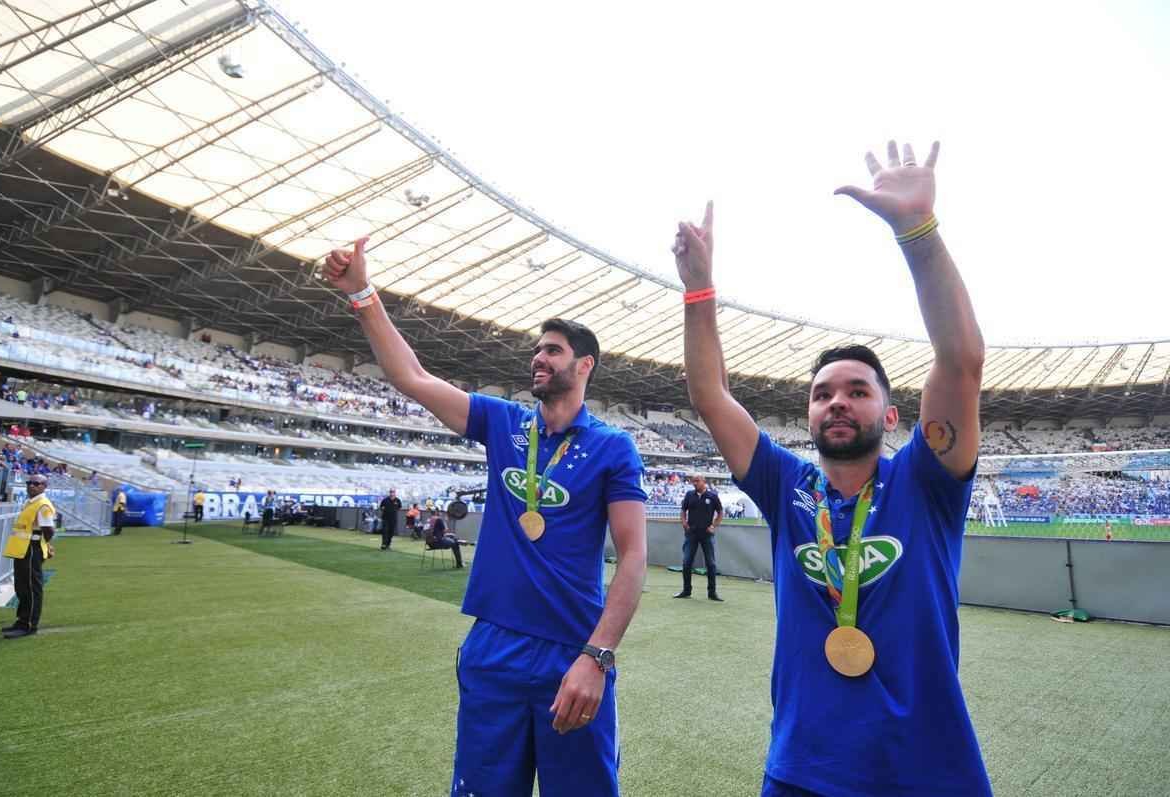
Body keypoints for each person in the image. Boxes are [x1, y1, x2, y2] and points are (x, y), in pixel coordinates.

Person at [675, 140, 992, 796]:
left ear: (892, 414)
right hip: (801, 771)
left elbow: (960, 361)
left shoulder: (926, 481)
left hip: (925, 774)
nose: (837, 401)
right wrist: (699, 290)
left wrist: (918, 232)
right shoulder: (785, 484)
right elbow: (710, 396)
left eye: (856, 390)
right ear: (810, 414)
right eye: (822, 394)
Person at [324, 240, 647, 797]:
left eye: (552, 350)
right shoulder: (503, 422)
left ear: (584, 365)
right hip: (492, 646)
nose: (538, 358)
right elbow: (413, 377)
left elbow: (634, 555)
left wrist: (597, 656)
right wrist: (361, 294)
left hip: (571, 651)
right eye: (537, 350)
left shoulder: (614, 447)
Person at [2, 474, 57, 638]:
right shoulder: (31, 502)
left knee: (32, 588)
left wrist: (45, 545)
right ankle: (21, 620)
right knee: (22, 587)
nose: (31, 485)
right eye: (29, 482)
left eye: (36, 483)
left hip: (32, 549)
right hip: (22, 549)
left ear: (44, 486)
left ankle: (29, 625)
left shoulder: (43, 505)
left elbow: (48, 530)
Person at [675, 475, 724, 601]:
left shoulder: (712, 496)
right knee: (686, 562)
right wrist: (684, 523)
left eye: (697, 481)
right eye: (693, 481)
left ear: (704, 482)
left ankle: (712, 593)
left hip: (707, 534)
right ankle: (686, 591)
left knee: (711, 564)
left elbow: (720, 512)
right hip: (691, 533)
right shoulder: (689, 495)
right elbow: (683, 510)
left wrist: (713, 526)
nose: (695, 483)